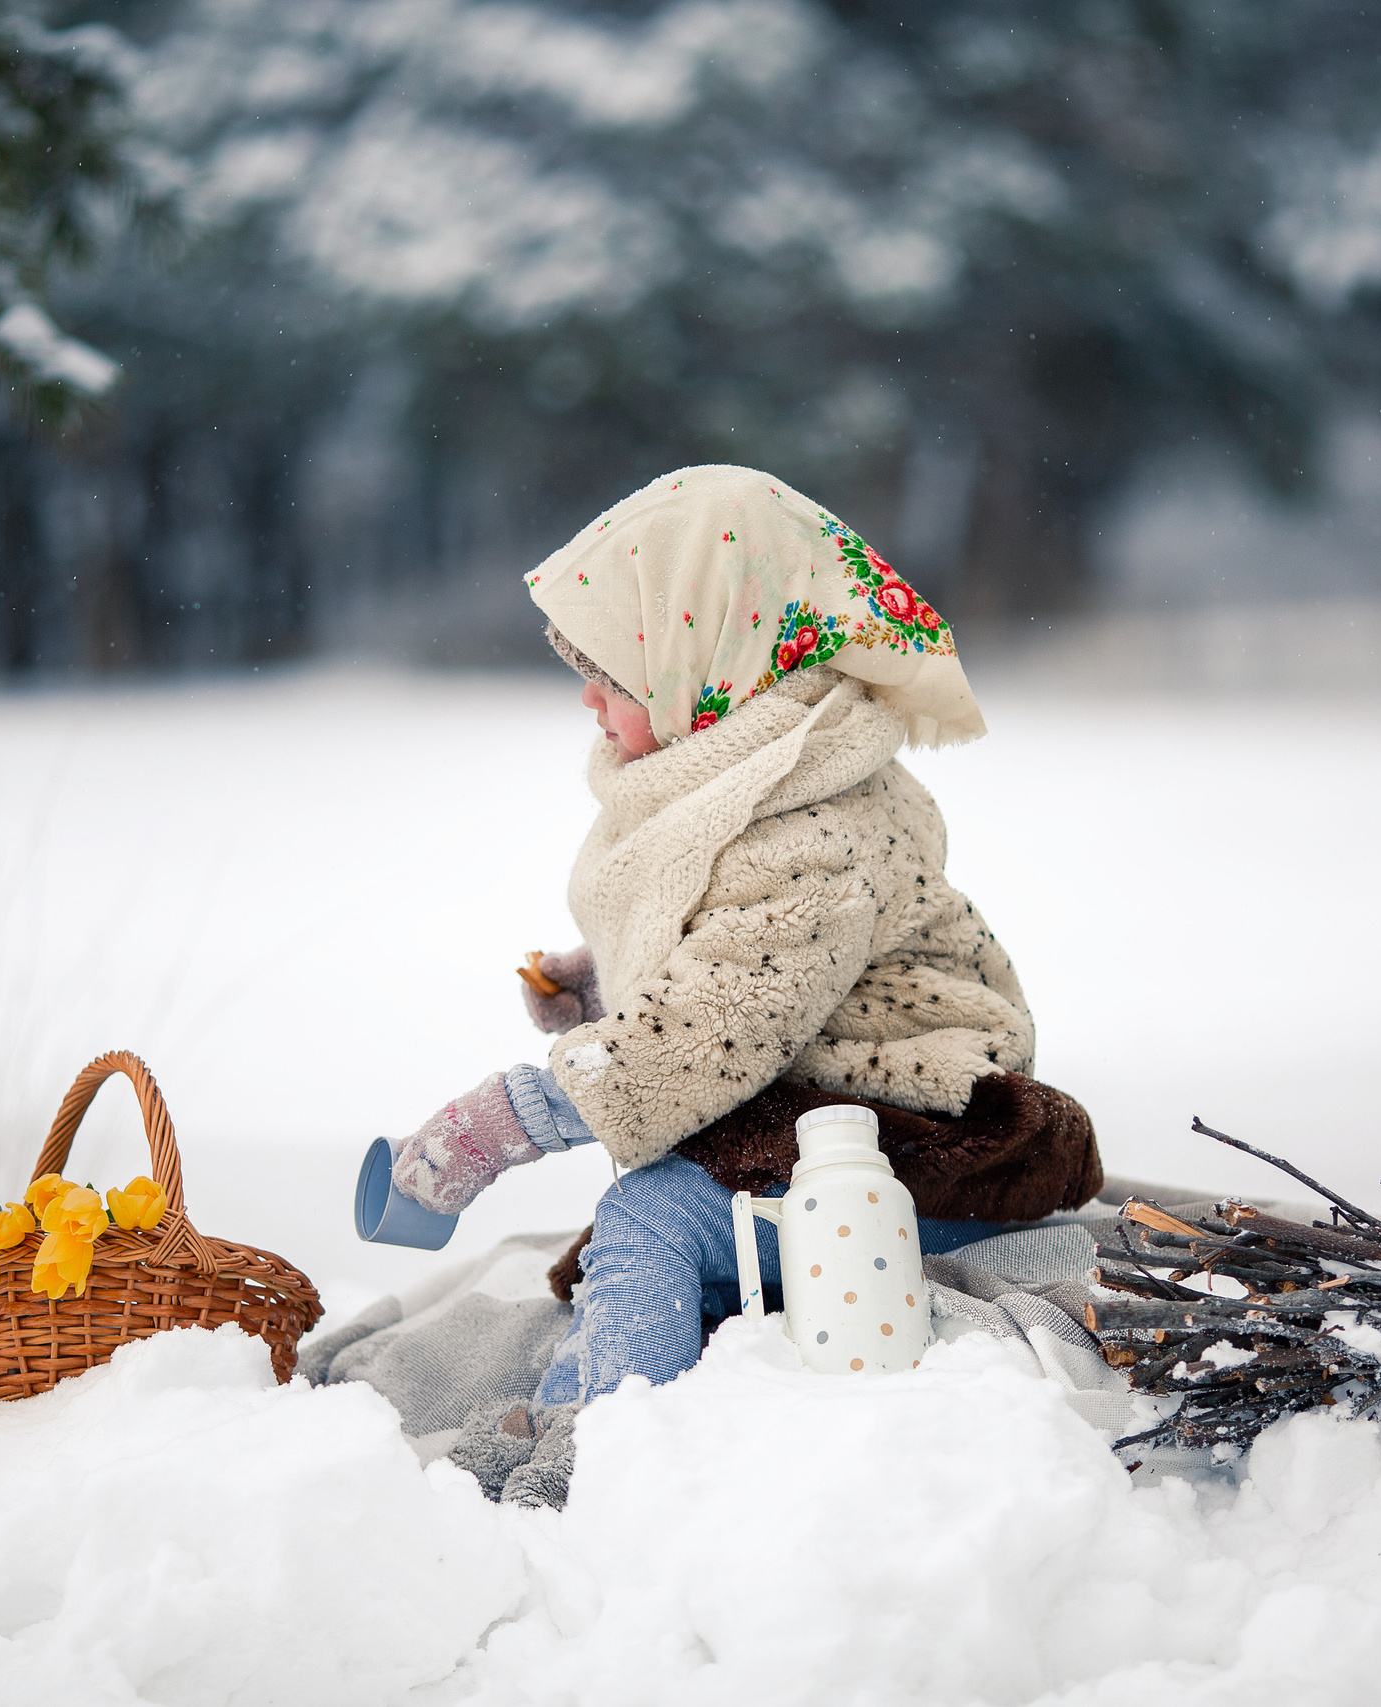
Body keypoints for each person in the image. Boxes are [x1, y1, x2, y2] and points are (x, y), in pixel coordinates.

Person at [382, 465, 1103, 1503]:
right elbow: (739, 967)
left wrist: (510, 1119)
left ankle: (600, 1446)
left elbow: (715, 1023)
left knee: (654, 1218)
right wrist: (605, 988)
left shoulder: (816, 820)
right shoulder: (755, 768)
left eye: (612, 676)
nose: (585, 700)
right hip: (822, 1105)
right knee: (656, 1215)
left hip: (931, 1142)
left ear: (708, 658)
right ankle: (586, 1399)